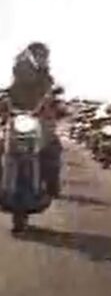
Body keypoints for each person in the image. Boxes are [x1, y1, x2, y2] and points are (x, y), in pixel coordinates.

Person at [0, 42, 66, 196]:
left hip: (39, 121)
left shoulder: (47, 78)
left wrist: (55, 105)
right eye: (37, 54)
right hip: (16, 119)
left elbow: (51, 96)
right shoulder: (18, 72)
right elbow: (10, 92)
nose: (40, 57)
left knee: (53, 148)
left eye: (43, 54)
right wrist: (4, 102)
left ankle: (52, 184)